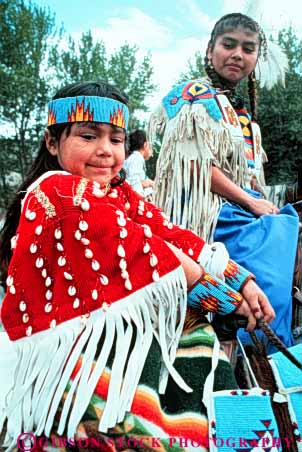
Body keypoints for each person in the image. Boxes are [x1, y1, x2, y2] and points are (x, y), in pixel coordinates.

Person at [0, 80, 274, 451]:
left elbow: (169, 233)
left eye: (115, 139)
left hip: (116, 336)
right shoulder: (54, 191)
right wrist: (224, 300)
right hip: (74, 350)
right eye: (87, 136)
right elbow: (139, 243)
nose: (105, 151)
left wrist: (242, 282)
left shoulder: (118, 191)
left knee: (195, 355)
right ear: (52, 143)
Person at [149, 13, 299, 352]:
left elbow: (246, 174)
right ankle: (259, 345)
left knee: (288, 219)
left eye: (248, 49)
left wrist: (257, 197)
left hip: (234, 206)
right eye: (228, 45)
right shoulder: (193, 98)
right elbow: (198, 166)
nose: (238, 55)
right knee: (277, 240)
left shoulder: (240, 114)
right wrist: (251, 202)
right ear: (210, 49)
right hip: (202, 212)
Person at [123, 129, 154, 199]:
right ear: (145, 145)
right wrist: (141, 198)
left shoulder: (134, 158)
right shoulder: (137, 158)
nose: (151, 151)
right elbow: (133, 180)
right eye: (150, 146)